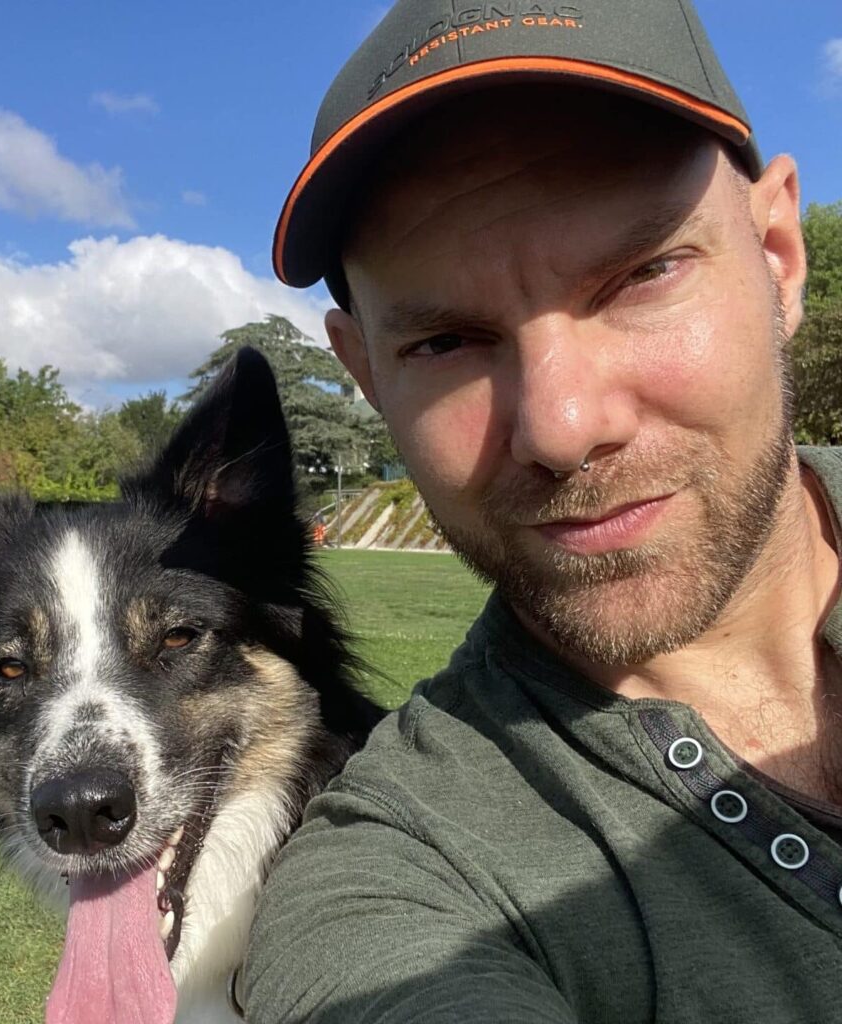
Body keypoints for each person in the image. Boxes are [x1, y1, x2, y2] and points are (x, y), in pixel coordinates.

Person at [243, 1, 842, 1021]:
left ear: (778, 255)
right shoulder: (398, 872)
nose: (560, 426)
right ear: (367, 374)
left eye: (642, 273)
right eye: (444, 342)